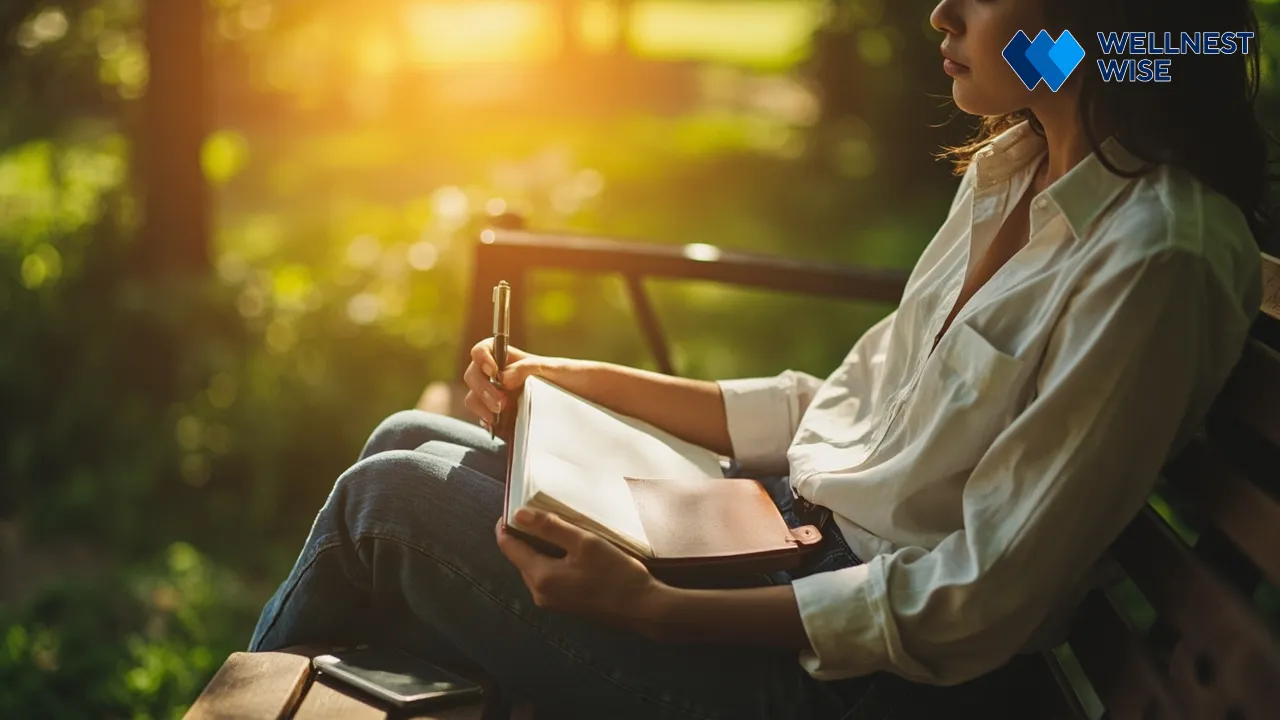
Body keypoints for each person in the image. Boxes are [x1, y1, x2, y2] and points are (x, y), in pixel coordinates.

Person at [249, 0, 1272, 717]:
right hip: (781, 541)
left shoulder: (1157, 256)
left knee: (385, 502)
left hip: (850, 679)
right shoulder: (1015, 169)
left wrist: (656, 608)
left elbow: (981, 595)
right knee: (406, 437)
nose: (940, 14)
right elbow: (842, 413)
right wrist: (572, 380)